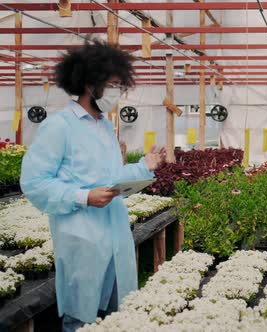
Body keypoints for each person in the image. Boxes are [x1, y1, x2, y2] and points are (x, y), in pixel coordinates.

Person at [20, 40, 166, 331]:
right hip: (82, 239)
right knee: (81, 318)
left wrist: (143, 167)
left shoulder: (103, 127)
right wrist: (83, 197)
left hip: (114, 235)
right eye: (112, 85)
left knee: (114, 316)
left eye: (120, 86)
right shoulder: (60, 126)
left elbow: (109, 177)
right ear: (90, 83)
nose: (117, 93)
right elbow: (34, 183)